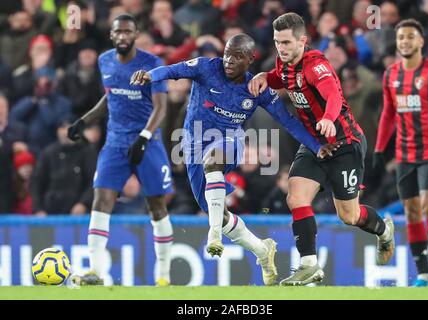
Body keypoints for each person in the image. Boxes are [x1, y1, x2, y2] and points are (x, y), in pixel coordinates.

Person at [131, 33, 339, 285]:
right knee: (216, 210)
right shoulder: (208, 67)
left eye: (237, 56)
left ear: (250, 60)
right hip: (195, 145)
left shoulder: (256, 89)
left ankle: (214, 234)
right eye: (228, 53)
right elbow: (173, 71)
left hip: (229, 141)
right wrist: (150, 75)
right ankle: (262, 251)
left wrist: (316, 146)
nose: (229, 60)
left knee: (214, 163)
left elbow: (287, 121)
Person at [248, 12, 395, 286]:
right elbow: (280, 77)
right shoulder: (284, 63)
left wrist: (328, 117)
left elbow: (333, 95)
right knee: (295, 196)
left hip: (344, 144)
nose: (281, 47)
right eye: (278, 41)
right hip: (316, 145)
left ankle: (384, 230)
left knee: (349, 215)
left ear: (303, 41)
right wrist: (264, 76)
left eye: (287, 42)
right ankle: (309, 265)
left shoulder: (316, 65)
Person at [67, 14, 173, 286]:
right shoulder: (105, 61)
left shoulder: (151, 64)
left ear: (136, 34)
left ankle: (163, 276)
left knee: (156, 206)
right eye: (118, 33)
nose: (123, 37)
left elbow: (161, 106)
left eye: (128, 32)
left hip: (147, 142)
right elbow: (111, 95)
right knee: (101, 200)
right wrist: (84, 120)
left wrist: (144, 137)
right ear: (111, 35)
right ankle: (96, 272)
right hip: (114, 143)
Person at [373, 19, 428, 287]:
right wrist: (380, 149)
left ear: (421, 42)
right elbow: (388, 114)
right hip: (405, 154)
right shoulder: (391, 75)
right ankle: (424, 275)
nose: (404, 41)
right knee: (413, 212)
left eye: (410, 37)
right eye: (400, 37)